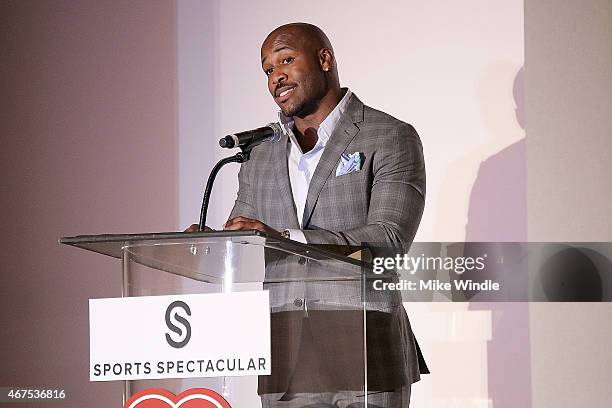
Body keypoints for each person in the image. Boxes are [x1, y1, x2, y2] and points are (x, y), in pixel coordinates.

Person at [188, 22, 427, 407]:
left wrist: (285, 238)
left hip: (364, 348)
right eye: (267, 70)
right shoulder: (260, 154)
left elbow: (388, 243)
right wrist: (210, 242)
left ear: (324, 59)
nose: (275, 76)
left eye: (286, 60)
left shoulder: (388, 135)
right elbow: (246, 240)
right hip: (286, 356)